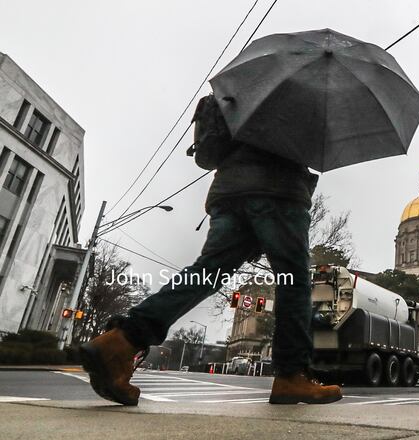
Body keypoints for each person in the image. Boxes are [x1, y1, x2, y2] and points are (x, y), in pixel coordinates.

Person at [79, 95, 342, 406]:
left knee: (207, 272)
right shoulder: (299, 95)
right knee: (293, 279)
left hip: (228, 192)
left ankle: (122, 340)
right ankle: (291, 376)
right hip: (277, 192)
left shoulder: (242, 90)